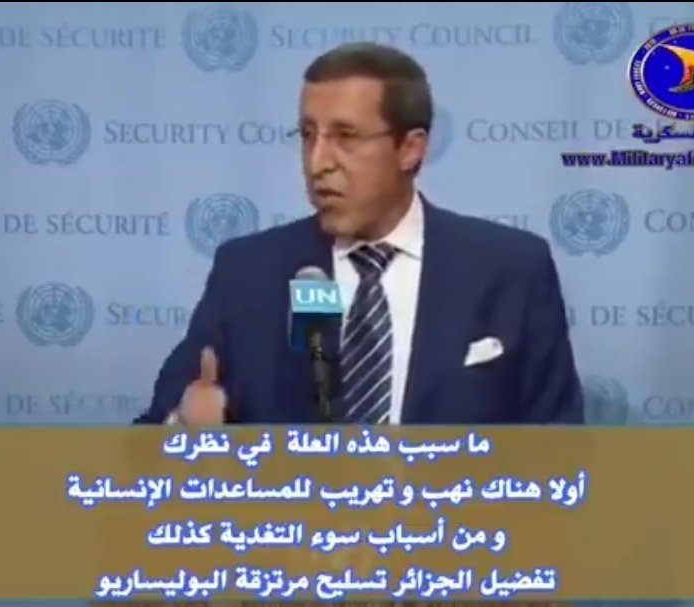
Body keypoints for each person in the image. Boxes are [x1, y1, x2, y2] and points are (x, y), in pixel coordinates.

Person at [137, 42, 583, 427]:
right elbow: (146, 442)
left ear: (410, 148)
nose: (317, 163)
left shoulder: (509, 268)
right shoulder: (248, 273)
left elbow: (558, 447)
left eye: (345, 136)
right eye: (308, 135)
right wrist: (183, 430)